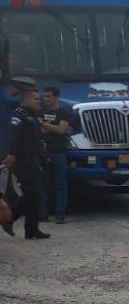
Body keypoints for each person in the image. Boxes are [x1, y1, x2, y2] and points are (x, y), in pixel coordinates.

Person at [2, 77, 49, 239]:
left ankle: (32, 229)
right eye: (36, 99)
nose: (39, 101)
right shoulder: (20, 114)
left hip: (33, 157)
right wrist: (12, 153)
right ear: (27, 99)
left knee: (35, 194)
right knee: (31, 193)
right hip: (23, 159)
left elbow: (35, 136)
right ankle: (9, 218)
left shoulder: (32, 115)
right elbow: (14, 136)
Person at [39, 86, 71, 223]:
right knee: (43, 183)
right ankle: (43, 212)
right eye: (45, 96)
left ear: (56, 97)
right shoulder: (40, 111)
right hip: (44, 152)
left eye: (49, 96)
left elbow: (61, 130)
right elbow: (40, 130)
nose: (46, 99)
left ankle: (60, 213)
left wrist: (44, 124)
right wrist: (53, 127)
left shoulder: (63, 112)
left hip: (59, 152)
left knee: (60, 184)